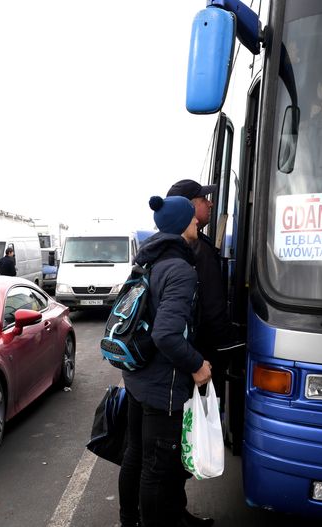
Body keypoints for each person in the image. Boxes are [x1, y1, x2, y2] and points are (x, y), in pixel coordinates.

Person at [118, 195, 213, 527]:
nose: (197, 222)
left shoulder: (148, 260)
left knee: (135, 456)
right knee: (157, 469)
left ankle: (130, 520)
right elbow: (167, 335)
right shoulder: (180, 269)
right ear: (179, 225)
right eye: (192, 219)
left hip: (138, 377)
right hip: (163, 385)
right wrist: (197, 365)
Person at [166, 179, 238, 401]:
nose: (211, 204)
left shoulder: (172, 245)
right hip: (201, 354)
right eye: (204, 199)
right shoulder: (199, 249)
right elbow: (212, 304)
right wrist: (227, 347)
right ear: (188, 206)